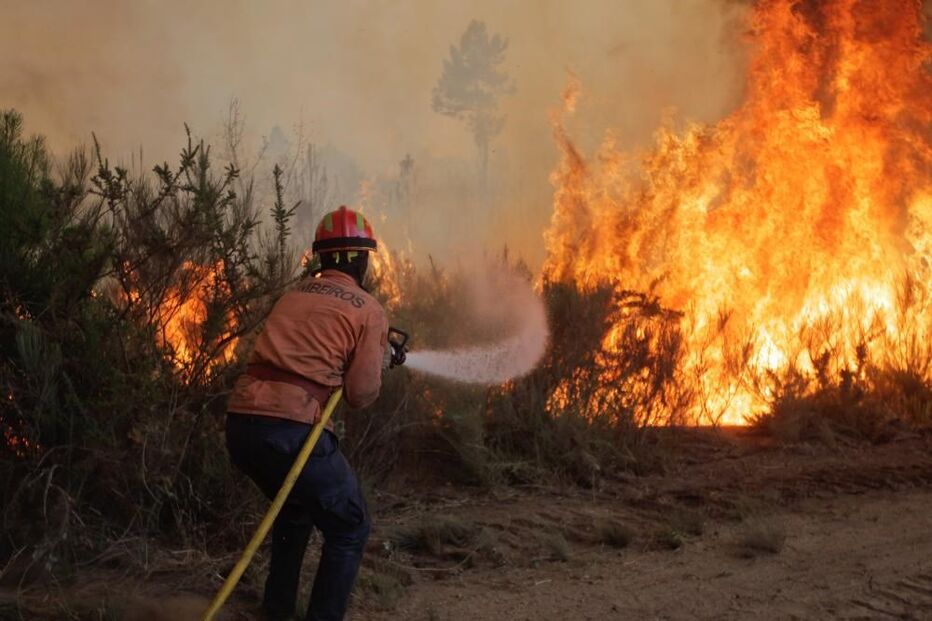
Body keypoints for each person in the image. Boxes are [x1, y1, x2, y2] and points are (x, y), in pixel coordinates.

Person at [225, 205, 389, 621]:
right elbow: (360, 393)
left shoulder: (293, 294)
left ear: (323, 257)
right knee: (350, 525)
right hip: (291, 429)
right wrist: (376, 362)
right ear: (359, 258)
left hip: (241, 425)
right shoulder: (368, 309)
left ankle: (277, 612)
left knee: (295, 511)